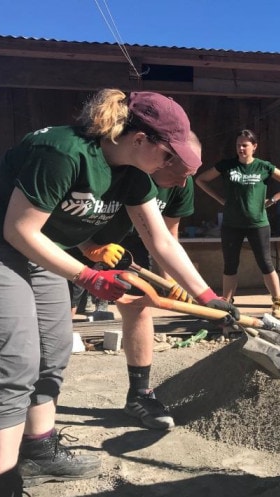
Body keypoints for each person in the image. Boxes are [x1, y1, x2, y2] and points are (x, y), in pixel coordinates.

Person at [0, 89, 238, 497]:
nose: (171, 167)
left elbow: (162, 242)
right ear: (139, 140)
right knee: (14, 364)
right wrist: (89, 276)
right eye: (169, 155)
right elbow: (18, 230)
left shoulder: (135, 173)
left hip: (42, 249)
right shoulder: (63, 151)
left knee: (54, 350)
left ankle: (39, 450)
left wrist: (209, 298)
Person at [77, 132, 199, 431]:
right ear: (162, 159)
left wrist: (170, 285)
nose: (185, 182)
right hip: (77, 244)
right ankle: (35, 406)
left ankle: (140, 395)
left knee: (139, 307)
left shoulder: (181, 185)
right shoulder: (123, 172)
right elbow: (70, 217)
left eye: (190, 175)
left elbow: (168, 237)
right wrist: (90, 250)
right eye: (181, 172)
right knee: (57, 321)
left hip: (129, 252)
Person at [195, 128, 280, 319]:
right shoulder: (227, 166)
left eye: (245, 145)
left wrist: (273, 200)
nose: (241, 148)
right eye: (238, 145)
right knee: (230, 264)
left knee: (265, 263)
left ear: (254, 147)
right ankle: (227, 303)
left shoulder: (263, 167)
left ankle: (277, 302)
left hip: (258, 223)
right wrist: (220, 199)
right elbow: (200, 179)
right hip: (232, 224)